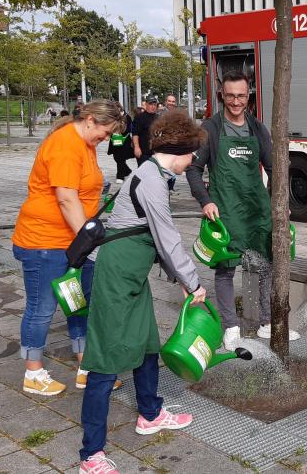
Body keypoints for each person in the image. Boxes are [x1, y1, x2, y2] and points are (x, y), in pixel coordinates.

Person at [78, 108, 206, 473]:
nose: (193, 161)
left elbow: (150, 236)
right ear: (180, 151)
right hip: (115, 277)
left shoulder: (154, 173)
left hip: (132, 276)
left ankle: (150, 414)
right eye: (192, 154)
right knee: (104, 362)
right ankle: (91, 454)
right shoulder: (151, 180)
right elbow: (167, 238)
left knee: (147, 344)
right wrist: (192, 282)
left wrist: (178, 279)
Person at [11, 99, 126, 396]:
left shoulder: (84, 145)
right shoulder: (65, 145)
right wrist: (87, 240)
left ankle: (86, 367)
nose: (105, 139)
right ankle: (33, 372)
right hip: (45, 243)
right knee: (42, 307)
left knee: (79, 303)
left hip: (72, 242)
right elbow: (66, 199)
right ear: (90, 120)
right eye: (105, 132)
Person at [186, 70, 299, 350]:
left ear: (248, 96)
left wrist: (279, 205)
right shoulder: (210, 129)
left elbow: (274, 168)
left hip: (256, 209)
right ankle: (231, 327)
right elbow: (193, 169)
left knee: (265, 266)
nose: (236, 102)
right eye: (230, 96)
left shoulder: (257, 128)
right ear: (222, 96)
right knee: (226, 270)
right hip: (224, 209)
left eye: (241, 96)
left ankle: (265, 322)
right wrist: (205, 200)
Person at [107, 108, 134, 183]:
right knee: (116, 157)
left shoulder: (126, 116)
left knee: (120, 157)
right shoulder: (113, 117)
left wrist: (120, 130)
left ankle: (120, 176)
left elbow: (129, 128)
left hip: (124, 139)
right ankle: (127, 171)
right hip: (115, 138)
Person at [132, 96, 159, 166]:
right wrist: (136, 147)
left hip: (156, 152)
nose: (153, 106)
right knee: (143, 173)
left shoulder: (158, 117)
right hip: (143, 152)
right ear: (146, 104)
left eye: (154, 105)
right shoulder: (139, 117)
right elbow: (135, 134)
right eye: (150, 104)